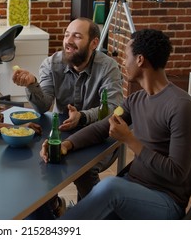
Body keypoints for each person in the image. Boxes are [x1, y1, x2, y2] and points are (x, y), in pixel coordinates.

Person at [42, 29, 191, 219]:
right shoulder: (137, 99)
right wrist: (67, 144)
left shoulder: (181, 107)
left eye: (127, 56)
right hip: (132, 186)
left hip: (165, 201)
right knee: (102, 187)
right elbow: (102, 127)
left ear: (140, 60)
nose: (124, 62)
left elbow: (177, 173)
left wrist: (129, 139)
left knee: (110, 187)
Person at [12, 17, 123, 215]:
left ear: (94, 43)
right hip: (61, 133)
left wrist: (82, 116)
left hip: (100, 136)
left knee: (83, 170)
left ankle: (92, 217)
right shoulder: (51, 63)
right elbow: (44, 105)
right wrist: (32, 84)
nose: (68, 41)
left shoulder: (108, 67)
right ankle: (53, 208)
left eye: (77, 36)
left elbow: (113, 109)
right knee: (40, 162)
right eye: (67, 35)